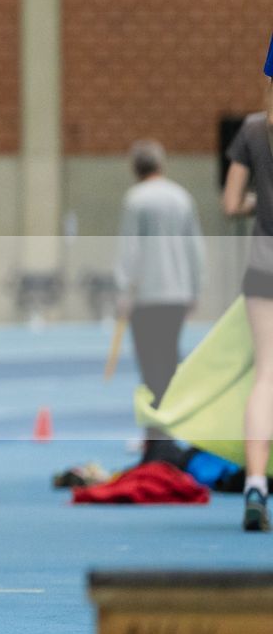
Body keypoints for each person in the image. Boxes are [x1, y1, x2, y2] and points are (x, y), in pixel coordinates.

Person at [116, 140, 205, 462]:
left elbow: (130, 250)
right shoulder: (182, 197)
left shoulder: (136, 199)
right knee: (169, 363)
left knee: (150, 367)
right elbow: (195, 247)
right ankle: (168, 434)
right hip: (177, 295)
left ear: (134, 168)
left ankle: (156, 439)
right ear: (161, 165)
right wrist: (195, 288)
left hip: (146, 297)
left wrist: (124, 291)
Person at [225, 75, 273, 531]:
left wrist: (261, 203)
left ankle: (255, 484)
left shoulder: (254, 129)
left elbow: (229, 202)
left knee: (266, 376)